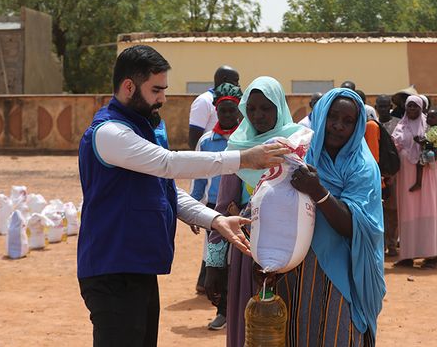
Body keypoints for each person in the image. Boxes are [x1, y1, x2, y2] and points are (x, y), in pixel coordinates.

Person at [76, 46, 287, 347]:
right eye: (156, 90)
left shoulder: (142, 129)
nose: (163, 98)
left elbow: (167, 190)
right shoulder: (109, 133)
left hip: (137, 269)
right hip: (111, 271)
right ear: (128, 87)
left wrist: (214, 220)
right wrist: (243, 159)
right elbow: (168, 164)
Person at [279, 87, 385, 346]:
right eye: (332, 117)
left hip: (344, 271)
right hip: (297, 268)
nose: (338, 126)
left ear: (358, 125)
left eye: (348, 121)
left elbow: (354, 226)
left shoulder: (362, 167)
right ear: (321, 115)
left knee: (338, 333)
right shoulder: (301, 154)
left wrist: (317, 190)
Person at [210, 76, 304, 347]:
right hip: (250, 251)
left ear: (280, 107)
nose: (258, 115)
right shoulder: (238, 148)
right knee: (252, 328)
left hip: (293, 251)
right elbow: (222, 207)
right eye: (251, 109)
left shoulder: (297, 144)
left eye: (266, 108)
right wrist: (214, 265)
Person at [189, 82, 242, 330]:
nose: (228, 115)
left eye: (233, 111)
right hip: (213, 211)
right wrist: (194, 213)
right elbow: (199, 178)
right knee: (216, 262)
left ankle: (241, 311)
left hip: (241, 212)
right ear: (216, 112)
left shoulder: (246, 140)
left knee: (240, 263)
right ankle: (222, 311)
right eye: (224, 111)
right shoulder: (207, 142)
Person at [392, 95, 437, 269]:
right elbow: (394, 146)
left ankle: (431, 255)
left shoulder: (431, 124)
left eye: (415, 106)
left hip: (430, 177)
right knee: (408, 213)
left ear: (421, 108)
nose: (412, 109)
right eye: (409, 106)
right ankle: (407, 256)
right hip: (406, 177)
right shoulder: (400, 127)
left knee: (429, 210)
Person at [188, 65, 240, 149]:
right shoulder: (204, 101)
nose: (238, 85)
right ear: (224, 80)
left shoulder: (235, 100)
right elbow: (194, 140)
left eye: (232, 110)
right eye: (236, 81)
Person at [374, 94, 401, 256]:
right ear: (376, 107)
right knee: (380, 211)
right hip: (376, 175)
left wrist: (391, 173)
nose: (384, 109)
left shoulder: (398, 125)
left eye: (386, 106)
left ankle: (392, 244)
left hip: (394, 175)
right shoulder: (372, 125)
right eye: (381, 106)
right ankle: (381, 245)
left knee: (392, 211)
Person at [410, 109, 437, 192]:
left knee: (419, 164)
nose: (429, 119)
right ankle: (431, 162)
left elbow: (425, 140)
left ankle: (418, 183)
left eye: (432, 117)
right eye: (428, 117)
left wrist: (418, 140)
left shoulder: (432, 130)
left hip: (433, 150)